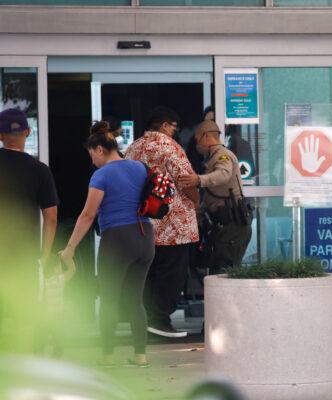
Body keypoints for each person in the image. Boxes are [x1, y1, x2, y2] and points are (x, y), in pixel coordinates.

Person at [59, 121, 154, 367]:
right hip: (145, 237)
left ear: (99, 149)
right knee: (135, 300)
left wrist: (69, 248)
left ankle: (107, 355)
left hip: (118, 240)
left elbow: (88, 215)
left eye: (91, 154)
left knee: (110, 298)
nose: (92, 160)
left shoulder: (101, 175)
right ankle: (140, 356)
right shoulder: (140, 167)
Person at [126, 106, 200, 338]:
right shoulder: (169, 147)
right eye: (174, 127)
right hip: (173, 223)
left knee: (148, 273)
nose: (175, 132)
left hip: (144, 221)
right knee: (172, 273)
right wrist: (196, 202)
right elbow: (187, 179)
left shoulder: (133, 147)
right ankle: (160, 320)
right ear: (165, 125)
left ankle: (144, 319)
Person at [0, 107, 59, 353]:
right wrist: (44, 256)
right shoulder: (39, 170)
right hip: (25, 254)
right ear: (28, 131)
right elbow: (51, 217)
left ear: (1, 135)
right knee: (25, 312)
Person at [180, 120, 251, 273]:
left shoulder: (223, 156)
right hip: (223, 226)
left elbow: (223, 175)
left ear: (206, 136)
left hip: (232, 225)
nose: (196, 144)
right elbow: (210, 197)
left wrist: (199, 180)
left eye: (197, 139)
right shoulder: (212, 158)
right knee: (217, 271)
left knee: (223, 273)